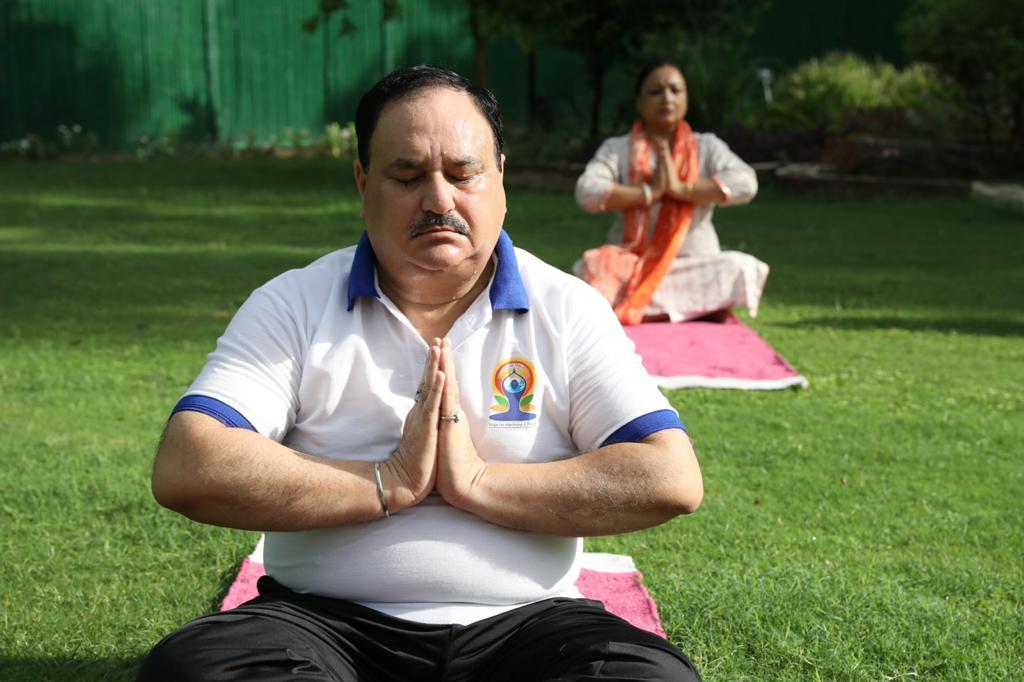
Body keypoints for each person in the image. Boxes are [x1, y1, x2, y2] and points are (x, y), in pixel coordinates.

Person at [136, 65, 704, 682]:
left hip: (530, 621)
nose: (439, 200)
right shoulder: (294, 303)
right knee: (195, 669)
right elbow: (188, 463)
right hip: (322, 623)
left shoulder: (565, 307)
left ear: (501, 179)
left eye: (464, 174)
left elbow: (668, 475)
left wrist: (479, 483)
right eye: (407, 176)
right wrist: (386, 482)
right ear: (362, 182)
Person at [575, 58, 767, 325]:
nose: (667, 98)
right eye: (656, 91)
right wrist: (648, 192)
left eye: (675, 90)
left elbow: (746, 183)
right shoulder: (618, 149)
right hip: (632, 266)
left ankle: (649, 308)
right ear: (639, 101)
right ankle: (690, 310)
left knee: (738, 267)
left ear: (686, 98)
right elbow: (587, 192)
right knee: (588, 270)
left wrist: (681, 189)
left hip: (693, 265)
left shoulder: (706, 146)